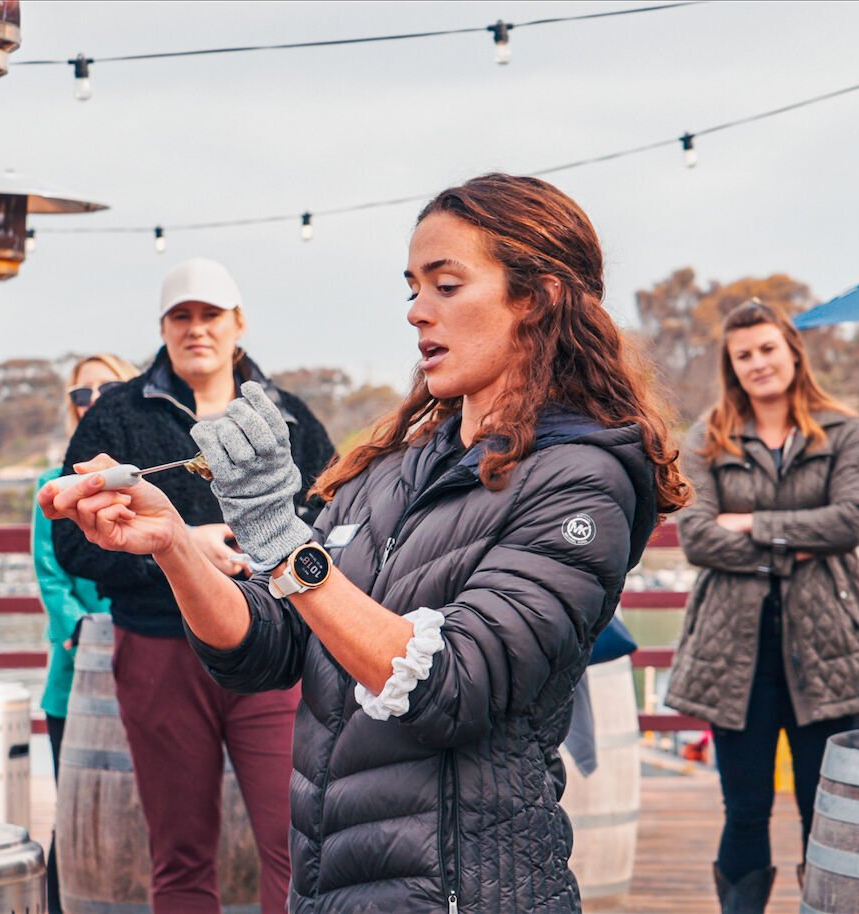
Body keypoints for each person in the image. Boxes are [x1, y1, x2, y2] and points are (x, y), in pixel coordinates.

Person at [43, 173, 690, 914]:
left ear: (537, 299)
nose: (417, 311)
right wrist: (172, 546)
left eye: (446, 285)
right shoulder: (397, 465)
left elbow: (451, 686)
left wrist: (280, 537)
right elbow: (272, 642)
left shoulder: (582, 480)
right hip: (337, 886)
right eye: (413, 286)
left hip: (462, 890)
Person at [52, 258, 335, 914]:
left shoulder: (288, 417)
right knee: (178, 852)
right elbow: (71, 541)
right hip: (158, 651)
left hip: (276, 654)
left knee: (293, 842)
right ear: (163, 326)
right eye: (182, 316)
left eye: (210, 315)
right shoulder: (114, 418)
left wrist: (270, 559)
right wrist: (181, 556)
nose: (196, 328)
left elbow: (330, 516)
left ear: (238, 323)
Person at [663, 299, 859, 913]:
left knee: (820, 805)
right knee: (743, 809)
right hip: (733, 654)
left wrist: (754, 525)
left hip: (827, 651)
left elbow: (848, 523)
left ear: (792, 350)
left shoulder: (843, 430)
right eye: (744, 355)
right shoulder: (708, 437)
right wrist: (793, 543)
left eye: (767, 348)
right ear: (731, 365)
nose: (758, 363)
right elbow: (698, 537)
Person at [33, 351, 138, 913]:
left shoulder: (145, 485)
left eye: (108, 389)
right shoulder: (51, 485)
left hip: (149, 663)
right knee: (72, 816)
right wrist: (82, 628)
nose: (93, 400)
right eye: (81, 394)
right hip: (77, 676)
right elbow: (50, 576)